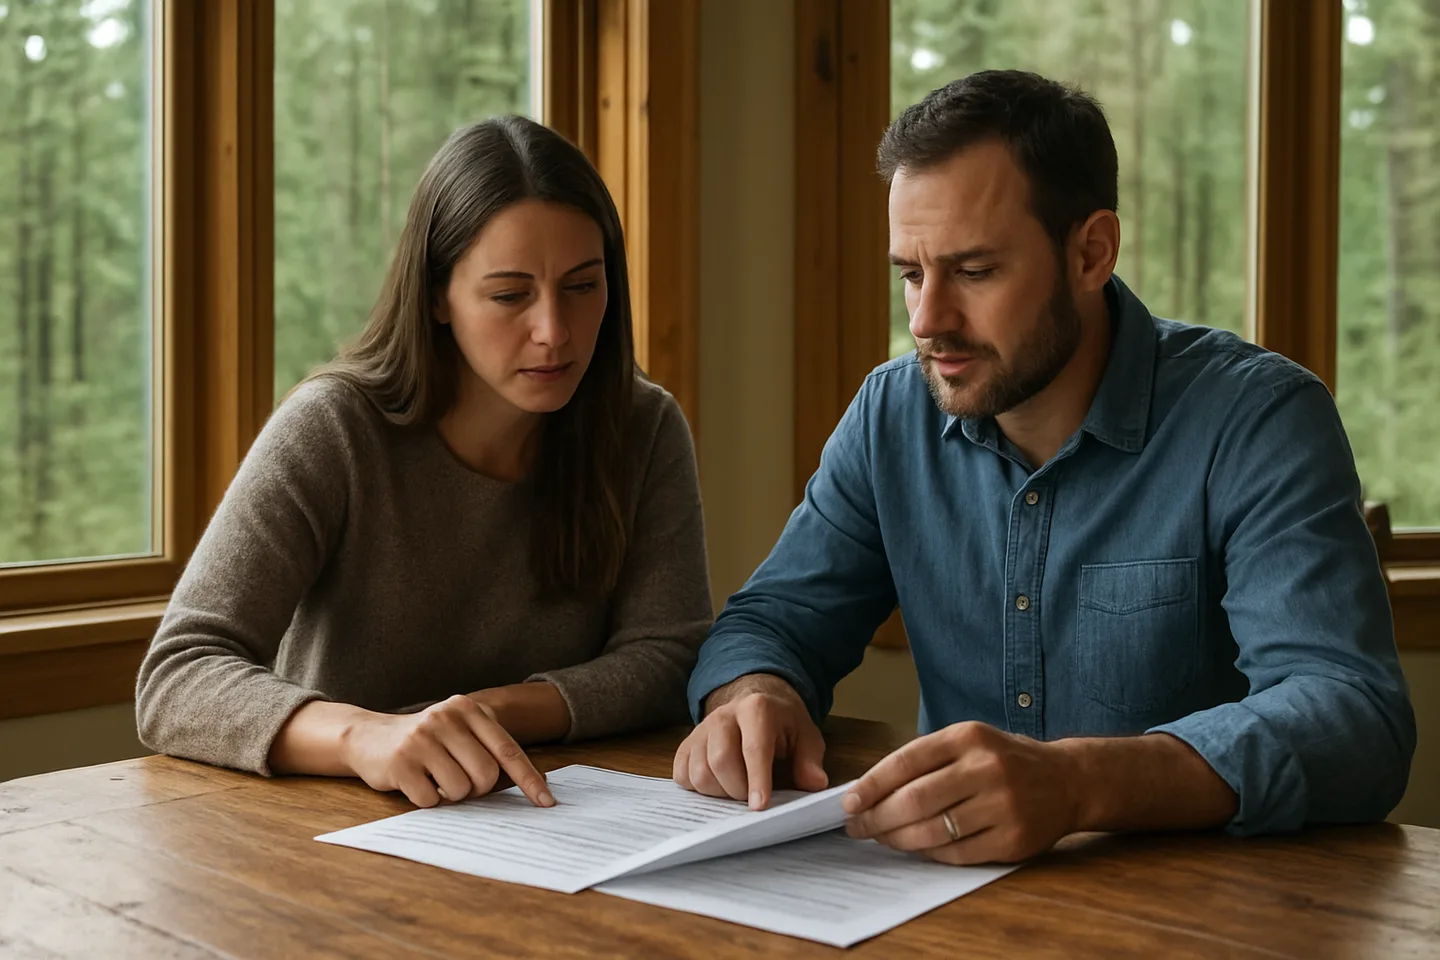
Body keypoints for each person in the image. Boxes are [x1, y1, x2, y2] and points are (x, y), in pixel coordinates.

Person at [674, 70, 1415, 862]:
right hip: (946, 905)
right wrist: (756, 693)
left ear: (1091, 252)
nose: (928, 321)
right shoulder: (892, 417)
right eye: (911, 274)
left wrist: (1078, 784)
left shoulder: (1258, 419)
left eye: (974, 271)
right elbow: (770, 621)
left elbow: (1353, 717)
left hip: (1202, 914)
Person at [137, 116, 712, 810]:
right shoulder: (334, 427)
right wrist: (367, 736)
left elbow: (668, 656)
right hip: (333, 827)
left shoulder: (643, 427)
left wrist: (482, 715)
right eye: (509, 295)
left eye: (583, 287)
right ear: (438, 295)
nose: (554, 331)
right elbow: (177, 677)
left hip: (548, 812)